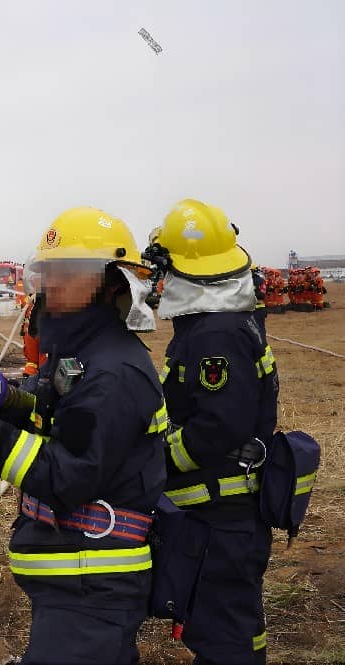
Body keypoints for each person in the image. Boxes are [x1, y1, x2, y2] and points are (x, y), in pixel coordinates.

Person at [0, 207, 167, 664]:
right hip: (74, 572)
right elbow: (41, 411)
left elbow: (65, 477)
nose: (53, 284)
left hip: (93, 580)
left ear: (114, 283)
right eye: (48, 270)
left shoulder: (114, 371)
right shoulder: (81, 351)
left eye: (71, 272)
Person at [145, 199, 277, 664]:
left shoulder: (214, 335)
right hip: (226, 512)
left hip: (221, 513)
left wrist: (153, 458)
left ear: (179, 270)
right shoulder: (224, 321)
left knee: (223, 629)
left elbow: (218, 427)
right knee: (229, 624)